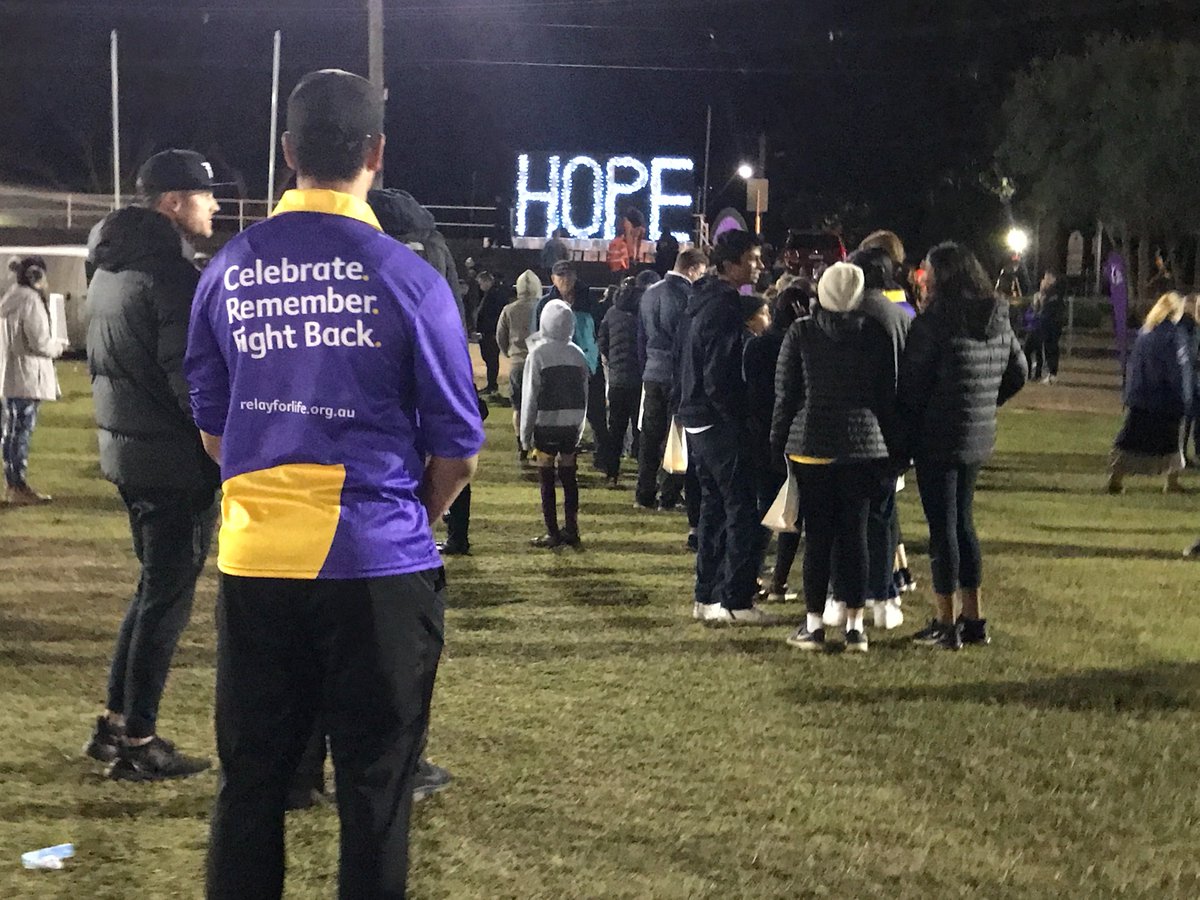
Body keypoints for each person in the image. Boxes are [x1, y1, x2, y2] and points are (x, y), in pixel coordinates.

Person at [187, 70, 484, 899]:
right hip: (377, 562)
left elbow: (214, 429)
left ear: (288, 153)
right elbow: (458, 447)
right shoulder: (411, 278)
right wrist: (413, 517)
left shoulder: (229, 268)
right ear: (376, 154)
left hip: (257, 562)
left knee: (250, 783)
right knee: (376, 791)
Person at [82, 149, 224, 780]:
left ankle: (115, 724)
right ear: (173, 201)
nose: (214, 205)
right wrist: (226, 449)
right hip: (173, 465)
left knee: (150, 591)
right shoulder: (170, 276)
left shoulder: (110, 268)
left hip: (132, 457)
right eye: (205, 194)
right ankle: (139, 740)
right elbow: (192, 385)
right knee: (166, 598)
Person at [899, 242, 1027, 650]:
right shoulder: (996, 317)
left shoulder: (933, 324)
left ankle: (946, 622)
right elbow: (1019, 371)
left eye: (927, 273)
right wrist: (985, 403)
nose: (923, 280)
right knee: (963, 524)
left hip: (937, 436)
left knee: (943, 531)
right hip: (976, 435)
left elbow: (913, 387)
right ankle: (974, 619)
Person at [771, 263, 898, 653]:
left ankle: (814, 624)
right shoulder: (874, 333)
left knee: (818, 538)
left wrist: (777, 441)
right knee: (856, 535)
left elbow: (786, 393)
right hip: (862, 446)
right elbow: (886, 394)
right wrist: (892, 447)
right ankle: (855, 626)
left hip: (813, 443)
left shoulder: (802, 332)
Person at [677, 230, 776, 625]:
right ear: (730, 263)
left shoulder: (700, 299)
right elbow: (719, 374)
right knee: (743, 509)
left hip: (696, 417)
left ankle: (707, 597)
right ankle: (735, 599)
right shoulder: (725, 306)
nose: (760, 265)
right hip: (717, 421)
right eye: (752, 258)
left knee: (714, 508)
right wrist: (739, 418)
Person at [636, 248, 708, 510]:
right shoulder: (687, 296)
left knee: (650, 434)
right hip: (676, 374)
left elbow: (640, 338)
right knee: (676, 435)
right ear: (692, 269)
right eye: (701, 272)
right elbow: (687, 340)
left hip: (652, 372)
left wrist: (645, 366)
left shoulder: (649, 293)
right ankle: (669, 493)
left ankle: (644, 492)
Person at [1108, 292, 1192, 496]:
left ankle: (1115, 479)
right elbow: (1177, 368)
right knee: (1172, 441)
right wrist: (1184, 396)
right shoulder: (1174, 335)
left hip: (1140, 396)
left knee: (1131, 440)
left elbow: (1135, 366)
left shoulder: (1145, 332)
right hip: (1165, 398)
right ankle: (1171, 482)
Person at [521, 298, 589, 548]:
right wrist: (579, 428)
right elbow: (584, 395)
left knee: (546, 478)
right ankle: (572, 528)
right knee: (570, 478)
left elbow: (530, 397)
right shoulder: (578, 354)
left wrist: (525, 435)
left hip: (546, 424)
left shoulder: (538, 355)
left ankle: (552, 531)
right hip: (571, 425)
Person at [0, 256, 64, 504]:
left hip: (11, 375)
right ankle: (18, 486)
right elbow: (39, 342)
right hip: (28, 376)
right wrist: (58, 346)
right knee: (21, 433)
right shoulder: (30, 301)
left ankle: (12, 483)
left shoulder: (10, 297)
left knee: (11, 432)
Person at [533, 260, 608, 472]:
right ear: (553, 279)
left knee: (597, 414)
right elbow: (536, 335)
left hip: (589, 366)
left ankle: (604, 459)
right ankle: (554, 454)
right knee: (556, 414)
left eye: (568, 275)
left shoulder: (589, 301)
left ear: (575, 277)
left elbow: (600, 331)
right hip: (556, 368)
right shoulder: (544, 304)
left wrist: (593, 359)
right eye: (561, 276)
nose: (565, 280)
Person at [598, 271, 654, 486]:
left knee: (616, 429)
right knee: (642, 429)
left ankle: (612, 473)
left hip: (617, 380)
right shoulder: (643, 314)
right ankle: (643, 475)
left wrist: (613, 362)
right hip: (639, 380)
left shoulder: (611, 313)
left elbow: (602, 341)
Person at [497, 270, 544, 462]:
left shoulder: (509, 310)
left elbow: (500, 336)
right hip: (539, 363)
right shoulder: (543, 307)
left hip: (517, 363)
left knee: (518, 406)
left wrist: (509, 352)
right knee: (539, 406)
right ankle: (537, 445)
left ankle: (521, 444)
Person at [474, 270, 505, 394]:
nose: (480, 286)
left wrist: (490, 332)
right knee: (489, 359)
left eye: (481, 283)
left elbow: (492, 315)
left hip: (490, 334)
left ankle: (492, 386)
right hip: (487, 333)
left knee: (491, 359)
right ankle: (491, 385)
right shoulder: (489, 294)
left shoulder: (494, 295)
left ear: (487, 282)